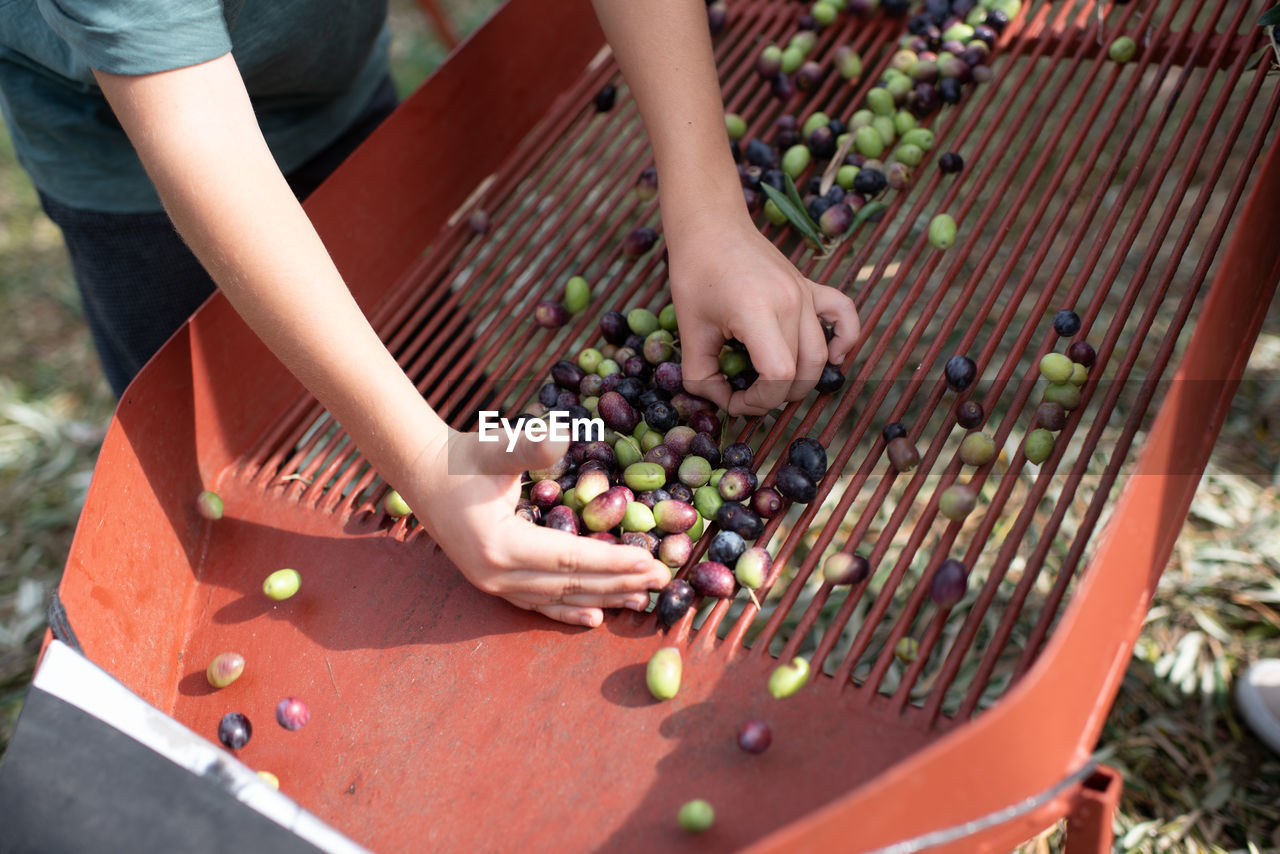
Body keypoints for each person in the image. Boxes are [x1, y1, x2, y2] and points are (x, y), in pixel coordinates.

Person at [0, 0, 860, 628]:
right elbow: (195, 133)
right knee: (216, 478)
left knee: (462, 423)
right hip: (129, 161)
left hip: (332, 79)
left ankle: (479, 493)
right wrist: (416, 455)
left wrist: (709, 208)